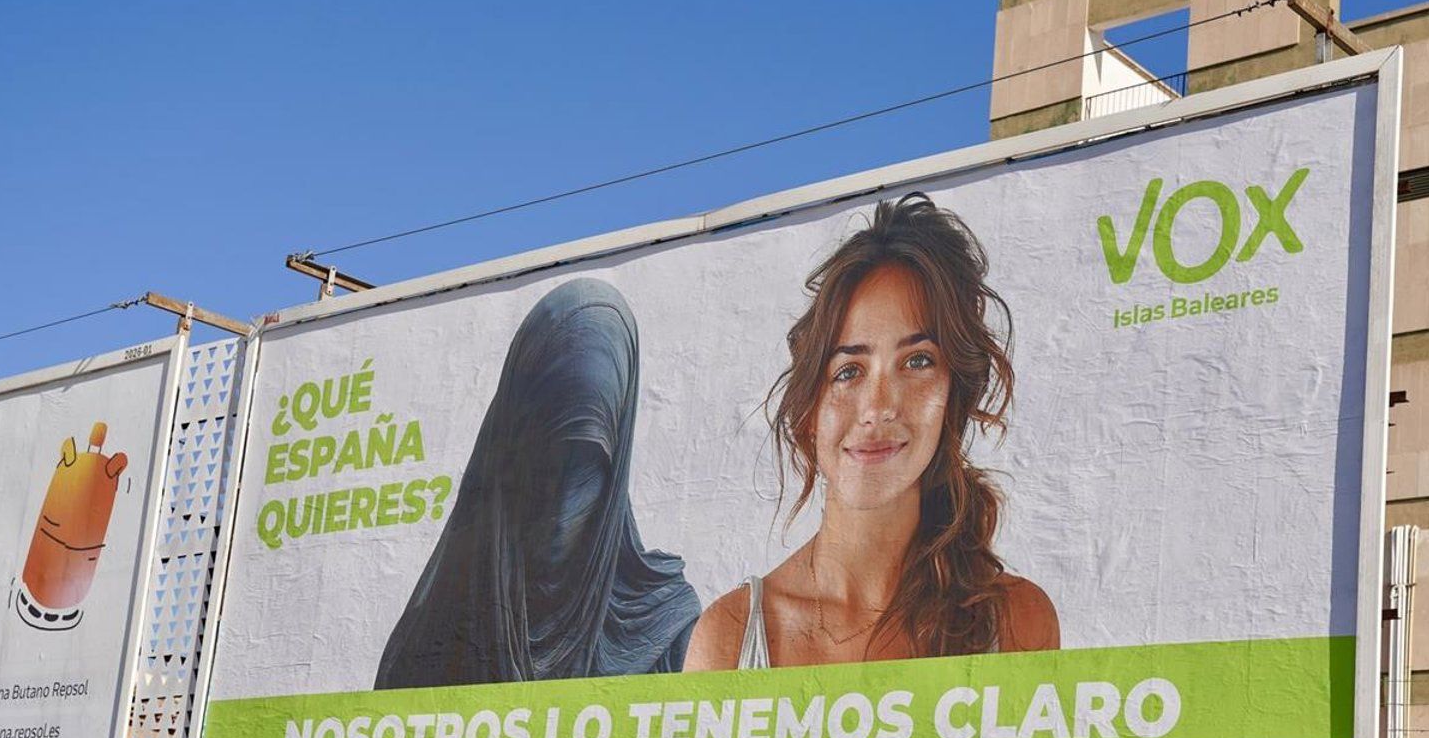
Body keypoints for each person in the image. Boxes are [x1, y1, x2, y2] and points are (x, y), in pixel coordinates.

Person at [685, 193, 1057, 671]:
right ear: (809, 409)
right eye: (848, 371)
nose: (878, 407)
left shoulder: (1015, 621)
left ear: (953, 394)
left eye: (917, 362)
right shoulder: (731, 636)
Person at [376, 278, 700, 689]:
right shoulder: (432, 638)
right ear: (510, 454)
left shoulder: (665, 630)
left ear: (615, 465)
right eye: (549, 466)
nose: (563, 515)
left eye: (587, 470)